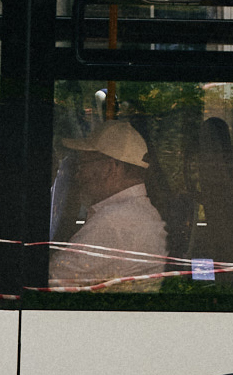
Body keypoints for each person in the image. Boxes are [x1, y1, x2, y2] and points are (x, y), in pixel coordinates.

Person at [46, 119, 169, 292]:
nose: (78, 176)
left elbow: (50, 280)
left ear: (110, 168)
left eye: (83, 165)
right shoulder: (133, 212)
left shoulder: (117, 221)